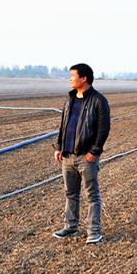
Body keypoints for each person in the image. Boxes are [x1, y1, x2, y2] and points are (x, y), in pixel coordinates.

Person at [52, 63, 111, 244]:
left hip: (86, 157)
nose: (70, 79)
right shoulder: (70, 99)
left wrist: (94, 151)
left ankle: (94, 231)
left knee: (92, 195)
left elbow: (103, 129)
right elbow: (63, 125)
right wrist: (59, 147)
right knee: (71, 193)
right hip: (67, 156)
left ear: (83, 78)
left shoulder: (98, 100)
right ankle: (70, 227)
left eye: (73, 76)